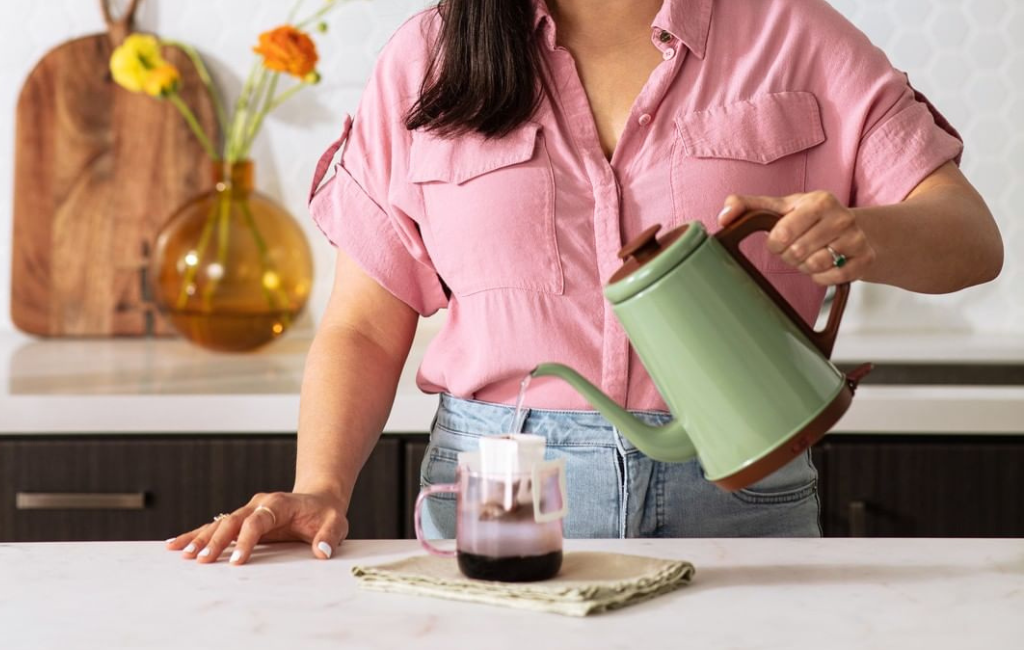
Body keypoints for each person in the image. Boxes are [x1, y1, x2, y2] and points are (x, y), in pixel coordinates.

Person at [167, 0, 1003, 565]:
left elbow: (971, 239)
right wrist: (319, 487)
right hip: (499, 492)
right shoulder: (430, 57)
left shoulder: (796, 33)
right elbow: (361, 324)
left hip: (740, 490)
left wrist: (866, 234)